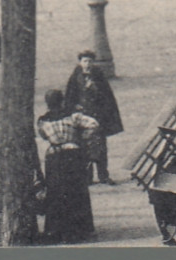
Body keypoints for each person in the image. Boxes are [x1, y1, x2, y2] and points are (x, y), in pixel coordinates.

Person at [36, 89, 99, 245]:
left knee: (56, 192)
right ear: (62, 101)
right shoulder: (73, 116)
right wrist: (81, 138)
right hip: (73, 155)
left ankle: (57, 229)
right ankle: (79, 229)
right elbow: (93, 124)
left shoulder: (43, 121)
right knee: (76, 191)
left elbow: (43, 135)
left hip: (54, 156)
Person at [63, 51, 123, 185]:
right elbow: (69, 97)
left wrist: (95, 89)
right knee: (83, 148)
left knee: (100, 148)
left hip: (98, 117)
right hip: (82, 118)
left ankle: (103, 175)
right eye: (85, 61)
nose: (88, 64)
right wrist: (75, 108)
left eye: (90, 61)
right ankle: (87, 177)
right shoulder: (75, 77)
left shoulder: (99, 77)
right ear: (80, 63)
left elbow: (107, 97)